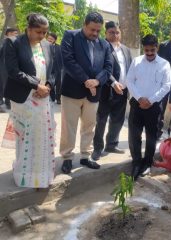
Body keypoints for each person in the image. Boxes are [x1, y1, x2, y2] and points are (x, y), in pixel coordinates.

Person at [4, 13, 55, 188]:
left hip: (43, 98)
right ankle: (23, 175)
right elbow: (12, 71)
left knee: (42, 137)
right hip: (23, 98)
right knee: (26, 137)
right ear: (29, 29)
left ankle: (41, 176)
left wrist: (47, 86)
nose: (42, 36)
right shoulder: (14, 43)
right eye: (39, 32)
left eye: (45, 32)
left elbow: (53, 70)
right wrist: (36, 85)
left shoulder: (47, 45)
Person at [59, 12, 113, 174]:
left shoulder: (104, 44)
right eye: (92, 30)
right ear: (84, 24)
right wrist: (86, 80)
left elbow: (108, 67)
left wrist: (96, 81)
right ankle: (67, 157)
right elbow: (68, 61)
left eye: (98, 31)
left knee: (89, 125)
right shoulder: (71, 36)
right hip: (72, 91)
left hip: (94, 92)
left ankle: (85, 155)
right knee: (69, 126)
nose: (95, 34)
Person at [126, 34, 171, 180]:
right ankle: (136, 163)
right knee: (134, 135)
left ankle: (147, 163)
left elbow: (166, 86)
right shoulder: (137, 61)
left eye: (152, 50)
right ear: (143, 48)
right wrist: (140, 98)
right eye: (147, 50)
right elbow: (129, 81)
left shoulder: (164, 64)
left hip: (154, 106)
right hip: (137, 104)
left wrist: (150, 100)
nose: (150, 53)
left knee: (151, 136)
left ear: (157, 47)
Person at [91, 21, 132, 160]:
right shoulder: (101, 47)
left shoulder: (126, 49)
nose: (115, 35)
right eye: (111, 32)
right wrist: (114, 83)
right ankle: (97, 148)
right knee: (101, 120)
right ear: (106, 33)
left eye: (117, 32)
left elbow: (129, 69)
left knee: (118, 119)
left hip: (123, 91)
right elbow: (102, 69)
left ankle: (112, 144)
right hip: (106, 91)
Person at [0, 27, 18, 111]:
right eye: (13, 34)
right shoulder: (4, 42)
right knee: (6, 85)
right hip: (4, 69)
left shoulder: (17, 43)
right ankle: (7, 103)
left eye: (16, 34)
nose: (15, 35)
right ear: (7, 34)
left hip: (14, 69)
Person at [46, 32, 63, 104]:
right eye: (48, 38)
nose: (49, 40)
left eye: (51, 39)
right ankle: (51, 96)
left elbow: (62, 58)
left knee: (58, 83)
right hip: (48, 69)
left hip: (57, 68)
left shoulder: (59, 47)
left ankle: (58, 98)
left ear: (55, 40)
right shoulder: (44, 46)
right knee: (49, 82)